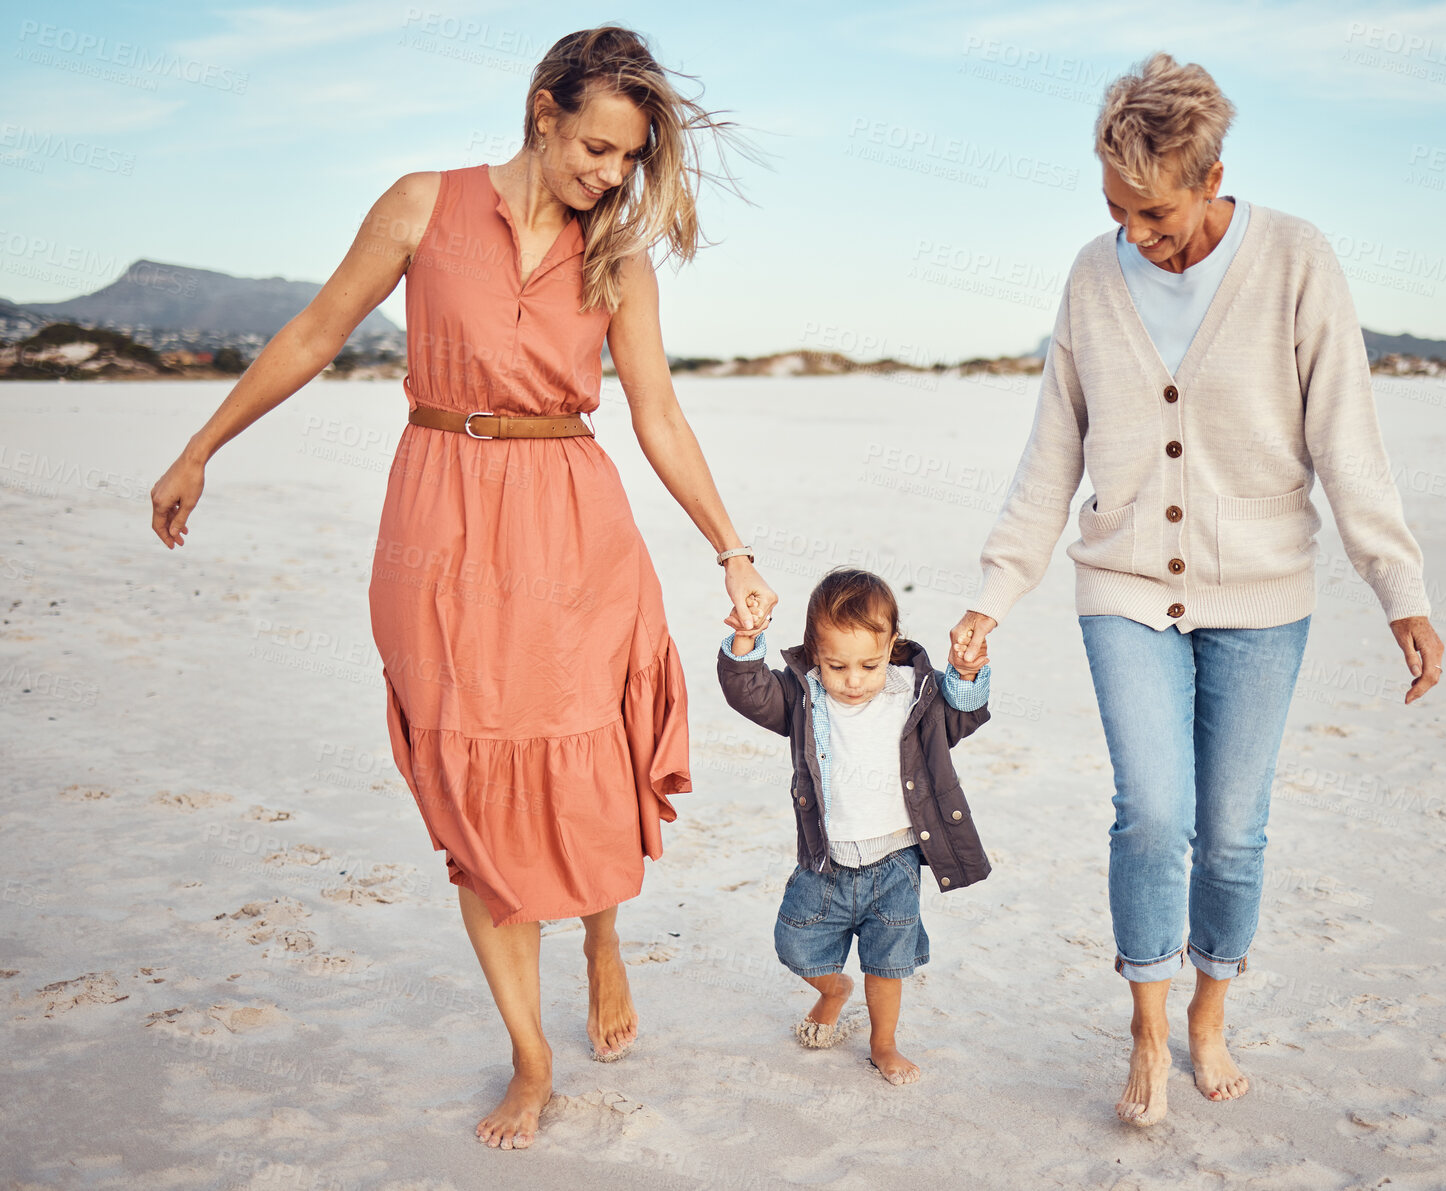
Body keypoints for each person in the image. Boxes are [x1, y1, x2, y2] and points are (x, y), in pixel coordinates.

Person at [147, 26, 779, 1150]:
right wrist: (204, 445)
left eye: (627, 160)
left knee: (582, 758)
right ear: (543, 112)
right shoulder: (420, 206)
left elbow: (657, 415)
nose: (608, 175)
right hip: (440, 515)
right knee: (470, 780)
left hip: (571, 523)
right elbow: (313, 331)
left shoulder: (613, 259)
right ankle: (532, 1057)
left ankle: (598, 935)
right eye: (594, 147)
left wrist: (731, 546)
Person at [947, 52, 1445, 1127]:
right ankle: (1143, 1028)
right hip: (1122, 583)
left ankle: (1208, 1016)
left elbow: (1346, 438)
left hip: (1262, 593)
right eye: (1116, 210)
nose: (1137, 233)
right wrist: (998, 589)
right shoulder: (1092, 275)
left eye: (1156, 211)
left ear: (1214, 174)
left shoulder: (1298, 261)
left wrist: (1397, 588)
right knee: (1152, 813)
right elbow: (1053, 453)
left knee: (1231, 828)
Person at [716, 568, 992, 1085]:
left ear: (893, 645)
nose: (854, 679)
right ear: (813, 654)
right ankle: (832, 990)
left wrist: (966, 674)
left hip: (895, 864)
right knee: (793, 944)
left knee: (888, 965)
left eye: (870, 663)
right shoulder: (804, 697)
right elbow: (750, 693)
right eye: (836, 664)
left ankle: (883, 1045)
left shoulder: (913, 694)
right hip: (826, 862)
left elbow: (961, 719)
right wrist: (746, 640)